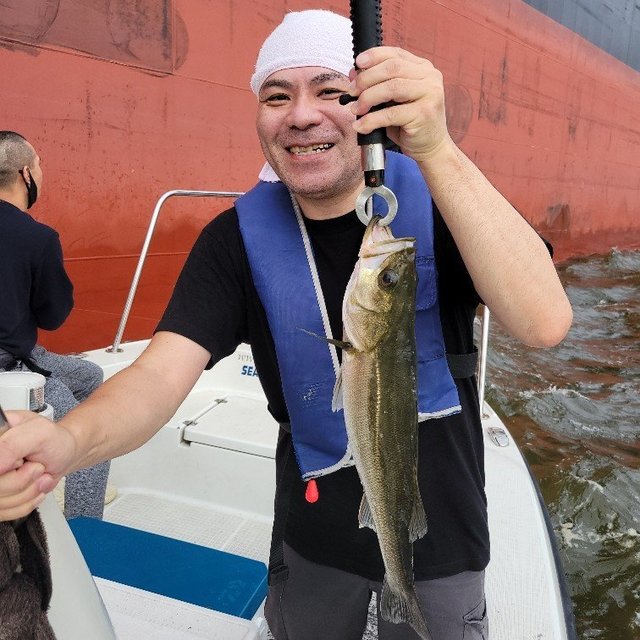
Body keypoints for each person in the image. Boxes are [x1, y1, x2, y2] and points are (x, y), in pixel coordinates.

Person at [0, 10, 572, 639]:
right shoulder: (234, 243)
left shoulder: (448, 207)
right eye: (278, 96)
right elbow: (160, 375)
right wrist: (68, 442)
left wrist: (435, 145)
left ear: (374, 107)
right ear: (259, 117)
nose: (302, 115)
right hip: (309, 547)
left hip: (444, 549)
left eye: (332, 91)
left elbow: (544, 322)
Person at [0, 131, 110, 520]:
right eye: (41, 165)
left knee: (91, 374)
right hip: (10, 365)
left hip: (22, 356)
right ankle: (85, 530)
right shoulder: (37, 237)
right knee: (87, 441)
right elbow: (53, 316)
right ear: (25, 173)